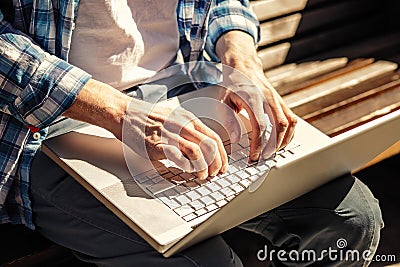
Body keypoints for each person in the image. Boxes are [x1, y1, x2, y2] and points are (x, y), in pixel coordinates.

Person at [0, 0, 383, 266]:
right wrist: (122, 113)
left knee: (351, 219)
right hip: (50, 121)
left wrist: (241, 61)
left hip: (185, 85)